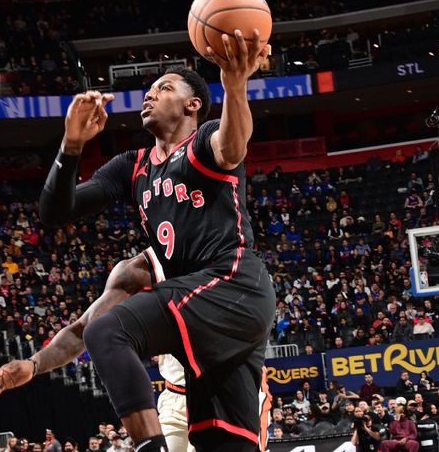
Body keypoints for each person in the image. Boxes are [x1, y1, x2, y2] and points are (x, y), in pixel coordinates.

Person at [38, 29, 273, 452]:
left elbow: (233, 146)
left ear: (192, 105)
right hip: (205, 319)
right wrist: (71, 146)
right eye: (148, 90)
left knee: (107, 331)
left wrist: (235, 86)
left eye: (163, 88)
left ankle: (150, 447)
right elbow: (55, 212)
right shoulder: (132, 166)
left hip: (232, 283)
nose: (149, 95)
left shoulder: (205, 140)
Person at [0, 251, 198, 452]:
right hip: (176, 399)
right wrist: (34, 364)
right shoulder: (141, 269)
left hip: (224, 394)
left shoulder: (226, 254)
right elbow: (84, 329)